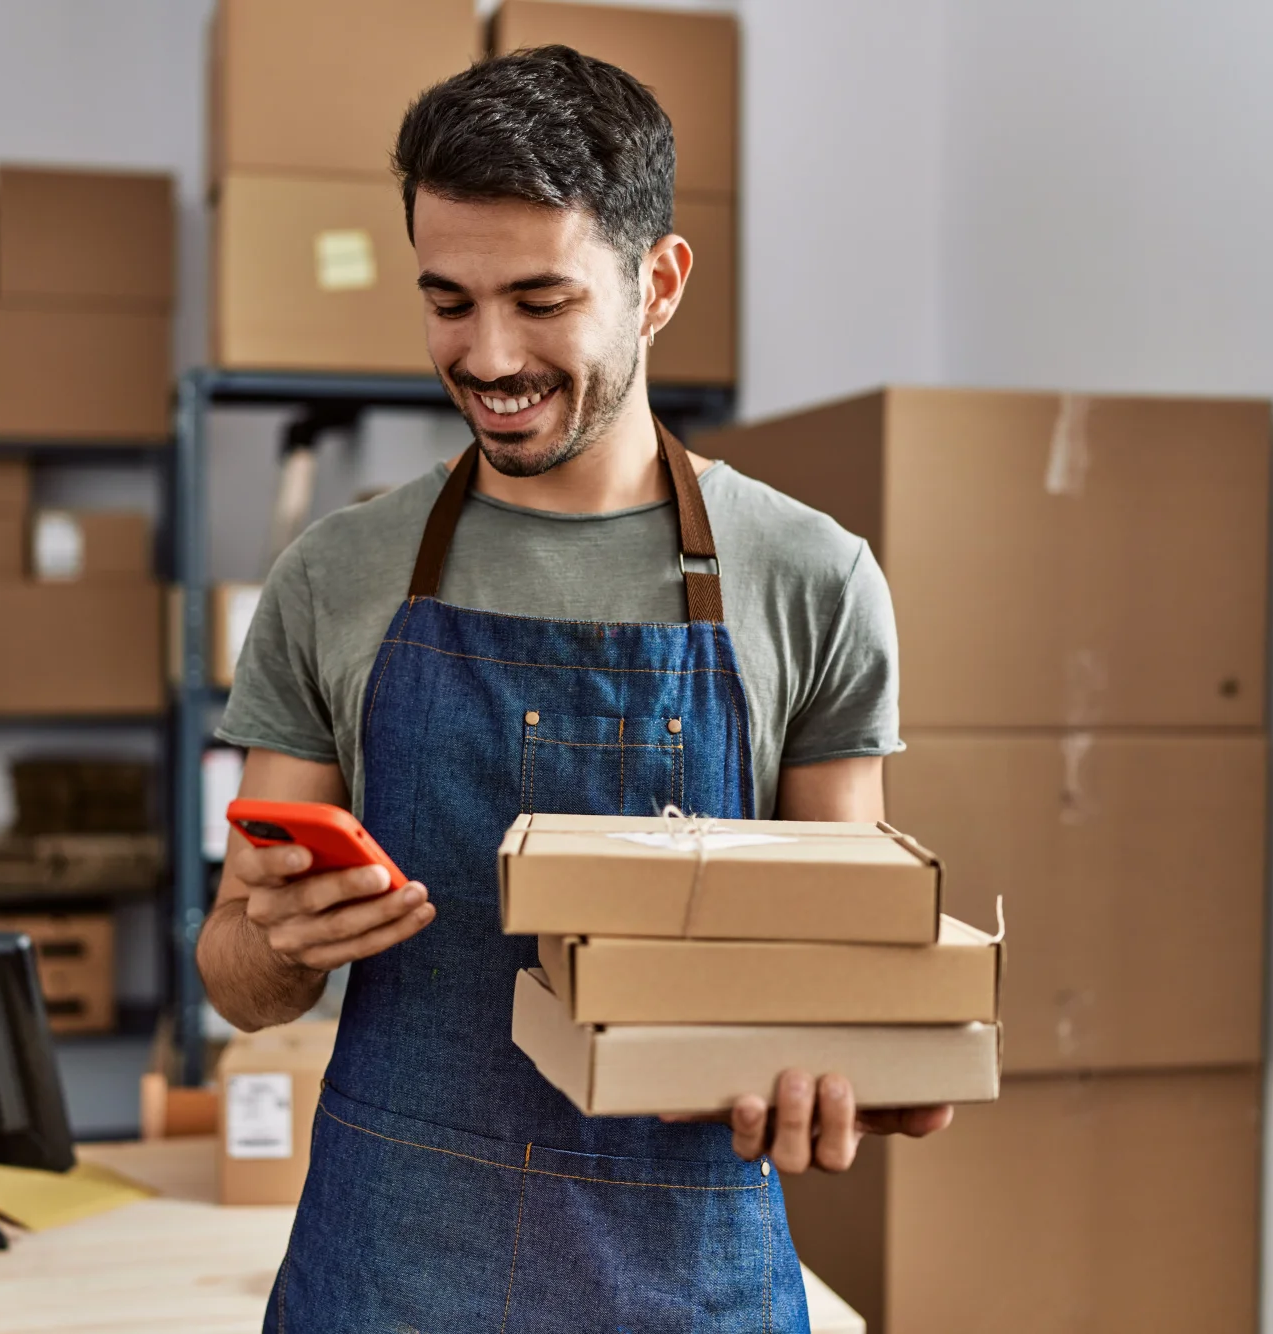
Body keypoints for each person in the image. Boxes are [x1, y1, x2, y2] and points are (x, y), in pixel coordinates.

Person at [197, 44, 949, 1330]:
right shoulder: (335, 573)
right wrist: (269, 946)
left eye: (541, 301)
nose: (486, 354)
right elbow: (233, 967)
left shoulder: (811, 580)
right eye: (447, 300)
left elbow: (849, 962)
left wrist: (850, 1060)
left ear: (656, 284)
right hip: (390, 1274)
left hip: (684, 1281)